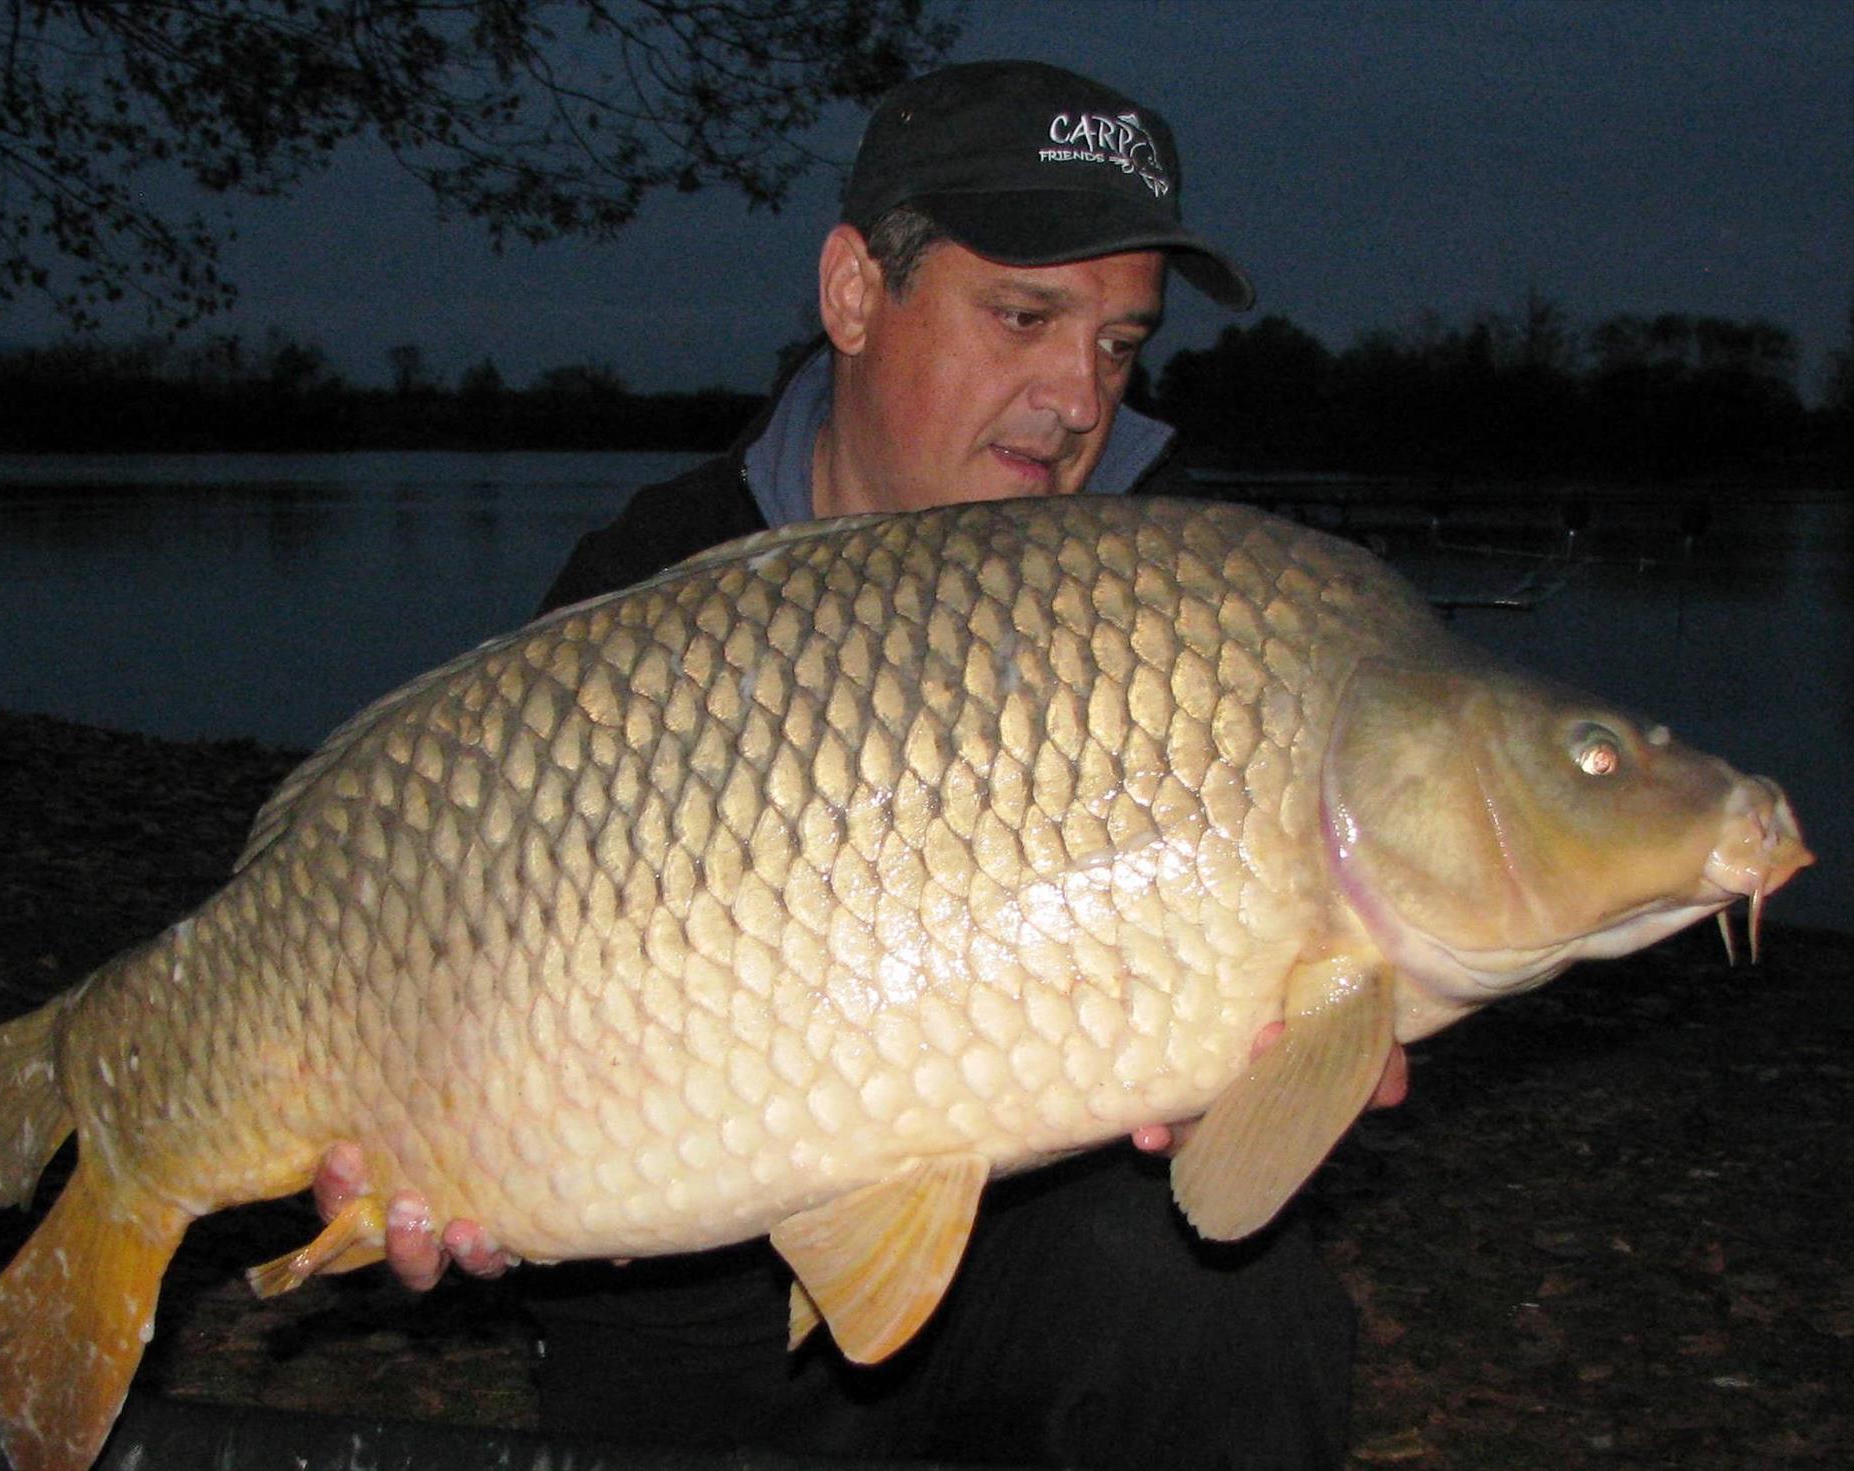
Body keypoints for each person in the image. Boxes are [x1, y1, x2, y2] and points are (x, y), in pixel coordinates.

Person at [315, 59, 1409, 1469]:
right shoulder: (651, 582)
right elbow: (459, 964)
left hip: (1039, 1256)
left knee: (1216, 1299)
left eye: (1119, 344)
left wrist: (1267, 1073)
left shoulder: (1180, 602)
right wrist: (439, 1148)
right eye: (1024, 316)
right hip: (691, 1301)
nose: (1076, 397)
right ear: (852, 293)